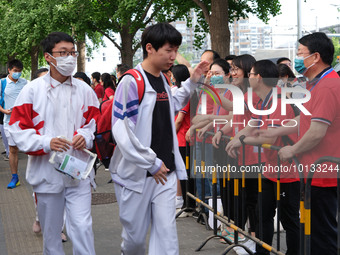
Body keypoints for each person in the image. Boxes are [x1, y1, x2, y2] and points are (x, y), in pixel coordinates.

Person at [110, 22, 209, 255]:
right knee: (134, 241)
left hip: (164, 172)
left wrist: (193, 80)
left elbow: (172, 105)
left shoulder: (163, 80)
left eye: (175, 50)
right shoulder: (131, 81)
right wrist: (151, 162)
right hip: (138, 174)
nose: (173, 56)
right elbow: (122, 131)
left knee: (166, 238)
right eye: (168, 50)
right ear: (150, 48)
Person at [8, 31, 99, 254]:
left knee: (82, 227)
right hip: (46, 174)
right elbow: (17, 130)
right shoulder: (31, 91)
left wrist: (85, 136)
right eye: (63, 53)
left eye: (72, 53)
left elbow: (92, 124)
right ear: (48, 57)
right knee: (52, 235)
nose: (69, 58)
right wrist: (47, 142)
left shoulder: (85, 90)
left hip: (78, 173)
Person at [259, 32, 340, 255]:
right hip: (312, 172)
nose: (296, 58)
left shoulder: (328, 86)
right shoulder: (316, 85)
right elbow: (304, 120)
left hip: (322, 173)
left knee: (321, 236)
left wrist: (292, 149)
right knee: (312, 233)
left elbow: (316, 132)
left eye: (300, 53)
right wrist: (278, 129)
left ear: (315, 57)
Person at [226, 60, 300, 255]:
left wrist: (241, 141)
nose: (248, 77)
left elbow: (270, 135)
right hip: (270, 168)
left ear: (258, 77)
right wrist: (236, 139)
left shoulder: (279, 100)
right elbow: (252, 124)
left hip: (288, 170)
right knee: (262, 215)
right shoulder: (261, 100)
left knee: (289, 219)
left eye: (250, 74)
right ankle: (262, 252)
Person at [0, 59, 28, 189]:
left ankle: (36, 175)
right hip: (9, 121)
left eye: (20, 71)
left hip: (25, 121)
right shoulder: (2, 83)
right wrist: (4, 110)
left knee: (31, 148)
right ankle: (14, 177)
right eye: (15, 71)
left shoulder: (25, 83)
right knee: (13, 150)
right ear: (9, 70)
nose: (18, 74)